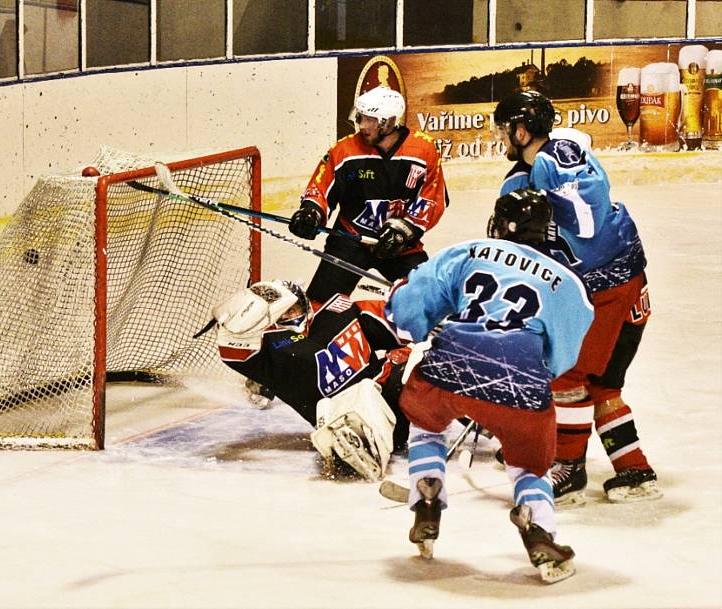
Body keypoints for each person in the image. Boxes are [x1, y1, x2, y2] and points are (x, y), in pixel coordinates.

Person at [385, 189, 593, 583]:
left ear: (500, 224)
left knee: (427, 425)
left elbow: (410, 313)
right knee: (529, 464)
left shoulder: (469, 251)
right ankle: (538, 528)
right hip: (521, 384)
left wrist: (396, 300)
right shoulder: (568, 285)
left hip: (449, 367)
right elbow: (562, 358)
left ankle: (426, 497)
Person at [493, 90, 661, 507]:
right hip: (617, 285)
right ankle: (634, 469)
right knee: (602, 383)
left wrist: (545, 218)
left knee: (567, 377)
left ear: (522, 129)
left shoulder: (556, 158)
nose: (499, 138)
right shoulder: (522, 176)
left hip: (610, 290)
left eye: (503, 129)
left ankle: (568, 469)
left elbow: (587, 216)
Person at [211, 279, 410, 481]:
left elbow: (400, 322)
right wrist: (231, 328)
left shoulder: (338, 311)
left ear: (305, 304)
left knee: (414, 368)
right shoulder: (272, 350)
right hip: (343, 417)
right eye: (283, 313)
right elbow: (233, 352)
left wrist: (417, 301)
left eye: (294, 309)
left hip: (388, 392)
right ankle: (352, 449)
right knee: (344, 424)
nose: (290, 316)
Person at [288, 86, 449, 303]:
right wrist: (311, 212)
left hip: (399, 245)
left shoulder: (424, 149)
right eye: (360, 117)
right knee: (318, 307)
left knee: (431, 300)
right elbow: (320, 189)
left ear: (388, 122)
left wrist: (406, 230)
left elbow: (433, 198)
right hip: (350, 240)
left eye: (369, 119)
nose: (361, 125)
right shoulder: (345, 150)